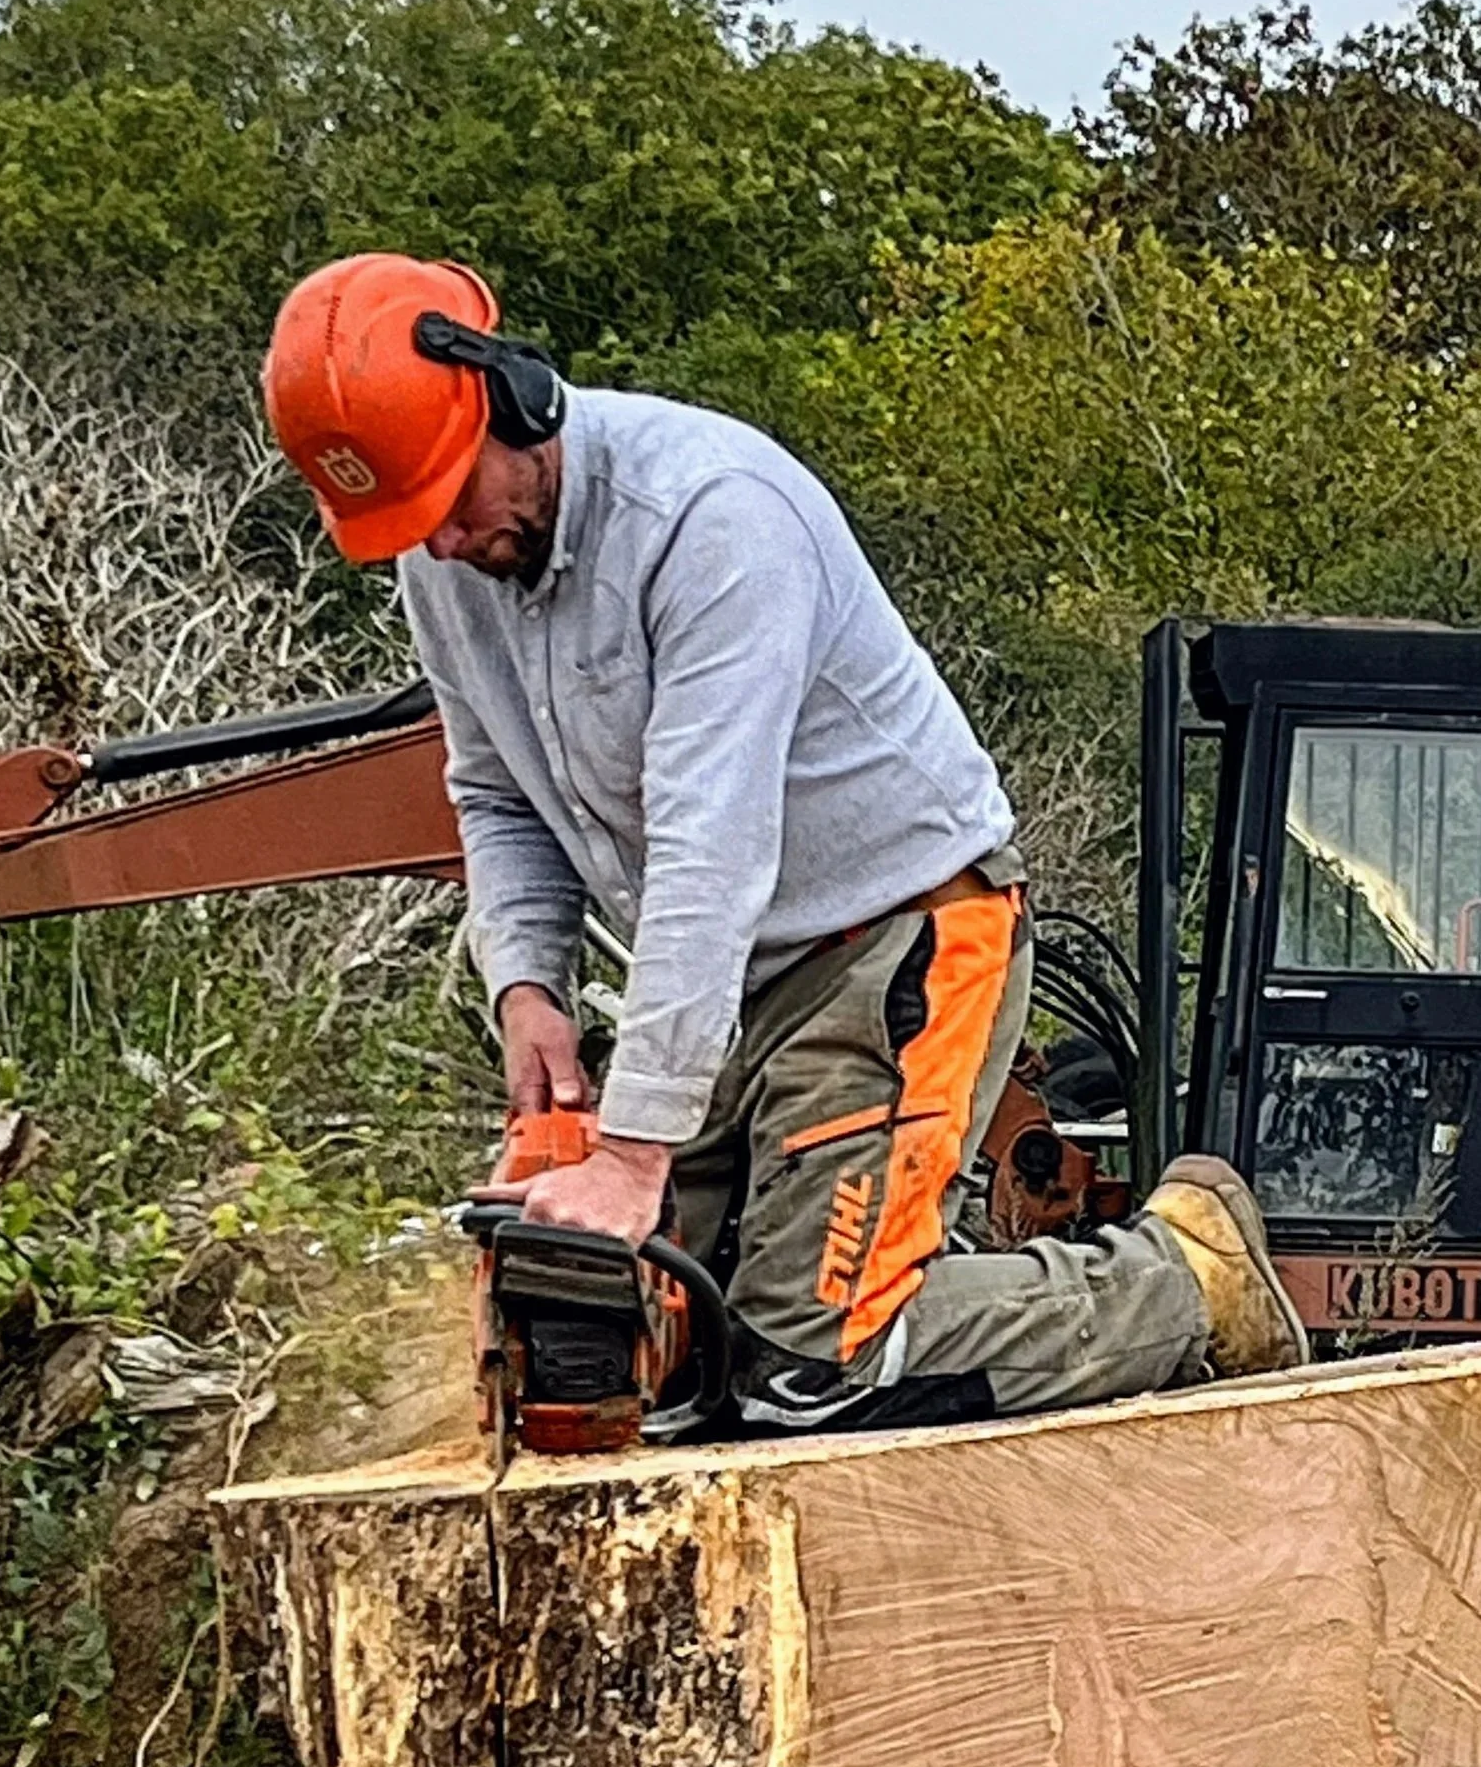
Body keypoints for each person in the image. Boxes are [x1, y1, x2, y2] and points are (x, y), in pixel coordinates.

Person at [261, 251, 1307, 1430]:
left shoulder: (712, 519)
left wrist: (634, 1153)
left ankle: (1184, 1278)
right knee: (659, 1352)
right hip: (730, 975)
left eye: (451, 500)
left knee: (814, 1365)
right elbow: (497, 794)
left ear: (513, 396)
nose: (443, 544)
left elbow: (713, 849)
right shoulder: (439, 562)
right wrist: (525, 987)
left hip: (902, 933)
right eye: (411, 522)